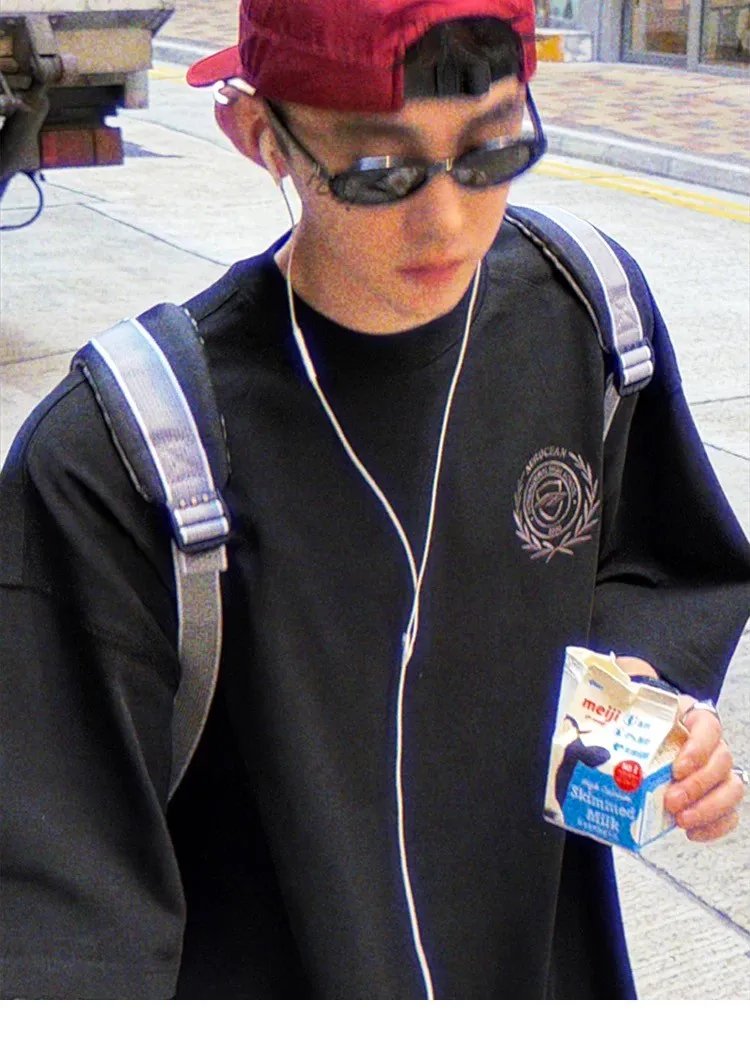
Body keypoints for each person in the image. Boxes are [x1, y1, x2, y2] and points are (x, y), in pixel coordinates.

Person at [1, 0, 748, 1001]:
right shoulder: (123, 457)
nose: (447, 221)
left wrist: (651, 703)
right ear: (259, 135)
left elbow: (658, 561)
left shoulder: (587, 316)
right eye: (377, 171)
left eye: (491, 151)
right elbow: (63, 912)